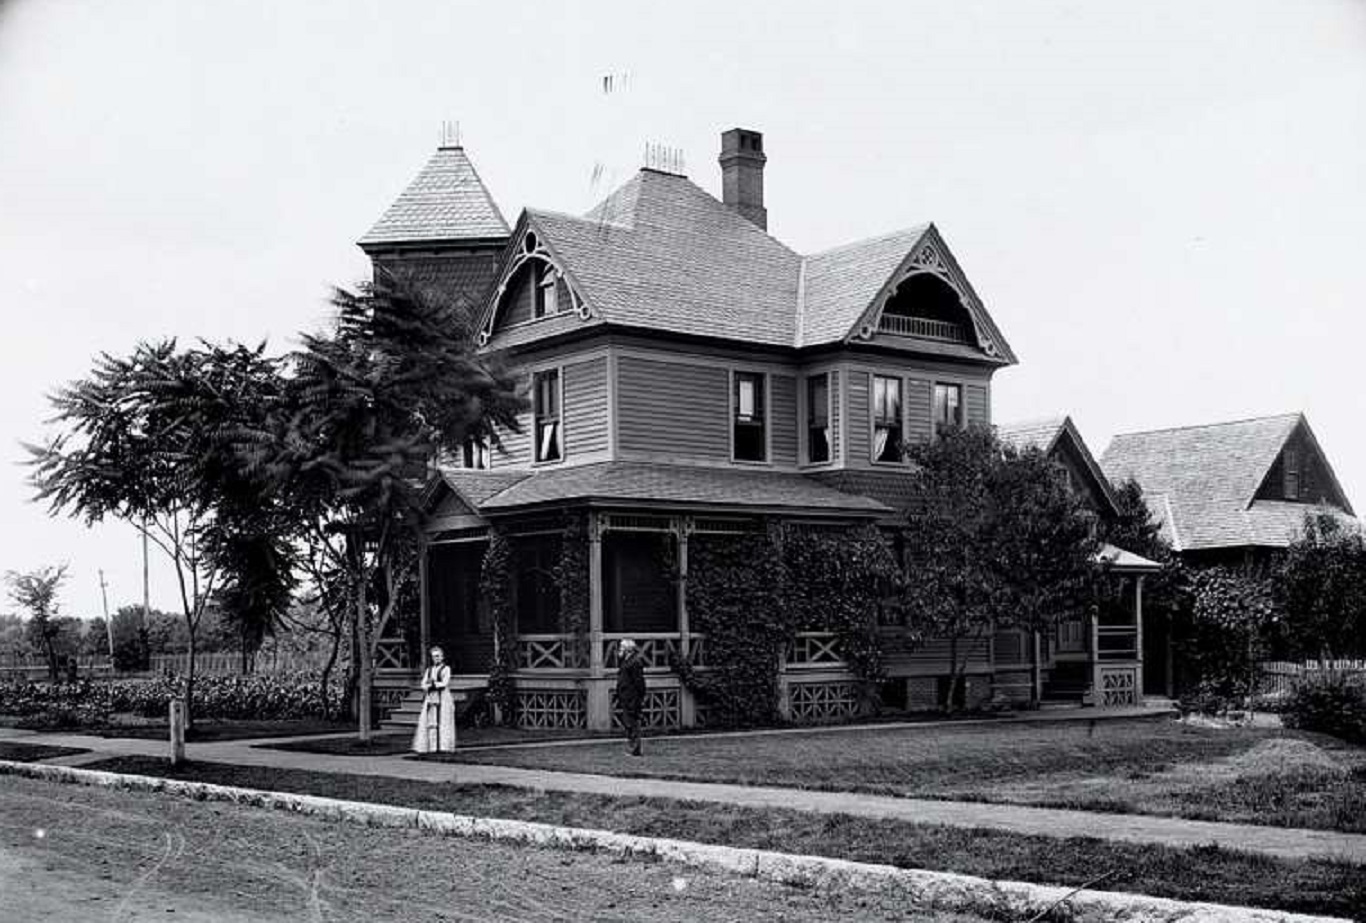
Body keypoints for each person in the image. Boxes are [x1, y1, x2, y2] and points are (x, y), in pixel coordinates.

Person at [412, 646, 457, 753]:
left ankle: (444, 746)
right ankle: (431, 746)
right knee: (431, 721)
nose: (436, 658)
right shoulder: (429, 670)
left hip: (443, 697)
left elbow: (445, 683)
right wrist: (428, 685)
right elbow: (423, 684)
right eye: (433, 657)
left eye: (438, 656)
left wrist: (434, 684)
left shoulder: (446, 669)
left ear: (442, 657)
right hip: (431, 697)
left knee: (443, 720)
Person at [615, 638, 646, 756]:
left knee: (633, 723)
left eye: (621, 648)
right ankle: (632, 747)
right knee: (628, 723)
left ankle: (635, 749)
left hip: (633, 698)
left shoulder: (635, 662)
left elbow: (639, 682)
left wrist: (639, 698)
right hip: (625, 697)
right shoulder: (625, 661)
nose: (619, 650)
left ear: (628, 649)